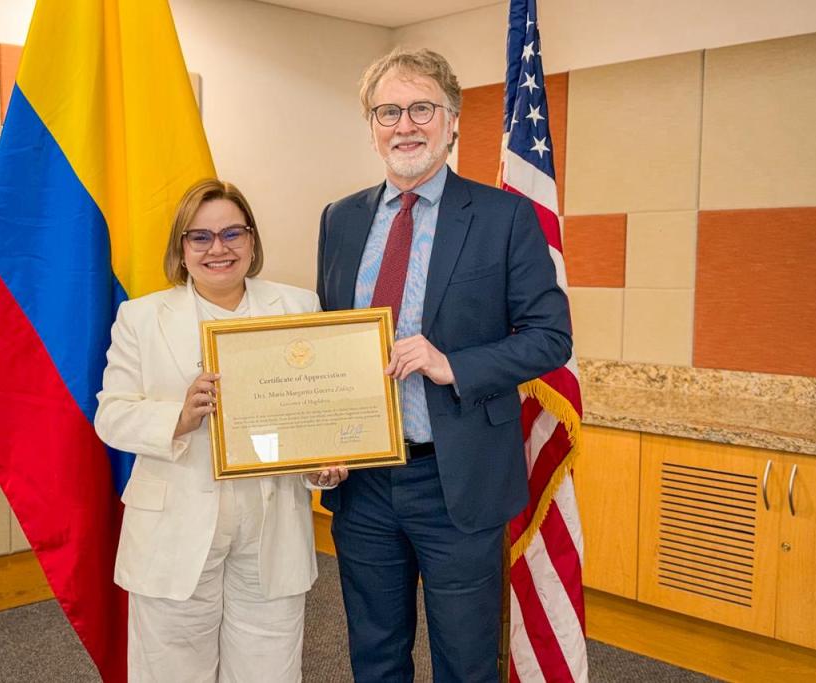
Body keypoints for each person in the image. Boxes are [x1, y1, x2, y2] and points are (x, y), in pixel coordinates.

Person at [316, 48, 572, 682]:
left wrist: (452, 363)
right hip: (364, 482)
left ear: (453, 120)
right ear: (371, 126)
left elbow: (550, 337)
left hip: (456, 481)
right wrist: (317, 437)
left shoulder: (502, 216)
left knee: (465, 662)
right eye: (388, 111)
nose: (405, 125)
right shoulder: (340, 219)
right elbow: (328, 342)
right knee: (374, 655)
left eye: (422, 108)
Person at [95, 178, 347, 683]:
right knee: (171, 669)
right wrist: (179, 416)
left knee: (269, 667)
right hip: (176, 525)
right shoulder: (141, 318)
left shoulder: (299, 307)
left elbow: (319, 411)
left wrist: (323, 467)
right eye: (201, 237)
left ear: (252, 241)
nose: (218, 249)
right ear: (181, 248)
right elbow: (112, 414)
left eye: (233, 233)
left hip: (271, 521)